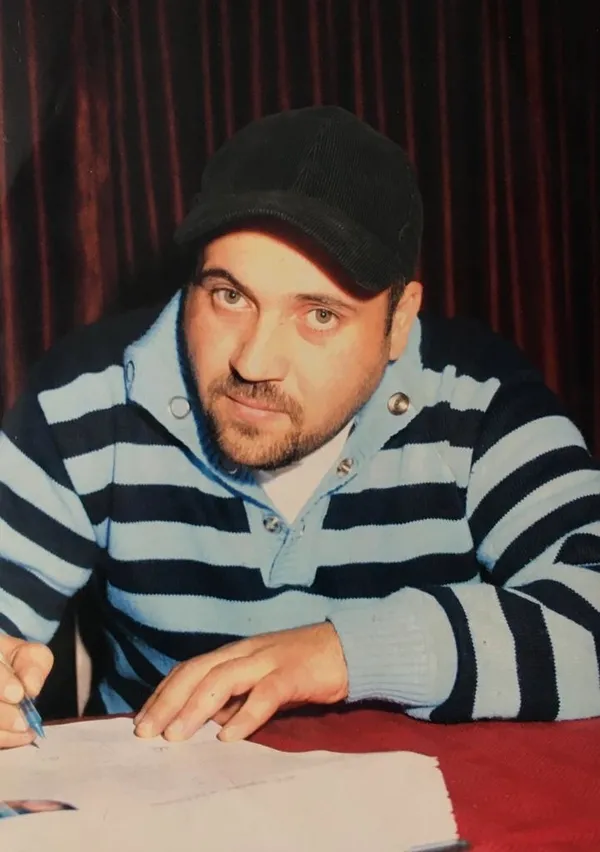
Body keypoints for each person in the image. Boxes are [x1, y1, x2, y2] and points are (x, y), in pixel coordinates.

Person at [0, 105, 599, 751]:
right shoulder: (84, 399)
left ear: (400, 320)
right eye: (229, 296)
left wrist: (346, 653)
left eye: (319, 315)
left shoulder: (480, 404)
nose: (254, 362)